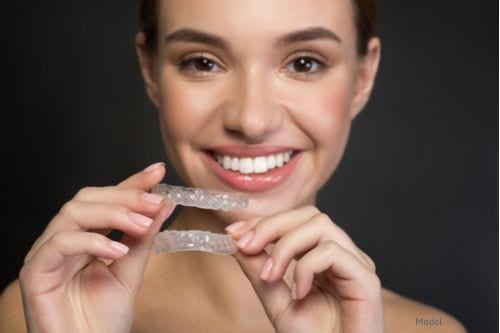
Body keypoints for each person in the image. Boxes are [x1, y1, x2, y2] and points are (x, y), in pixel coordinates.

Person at [0, 0, 467, 332]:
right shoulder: (36, 313)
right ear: (150, 69)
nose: (251, 120)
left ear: (363, 76)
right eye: (202, 62)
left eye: (304, 62)